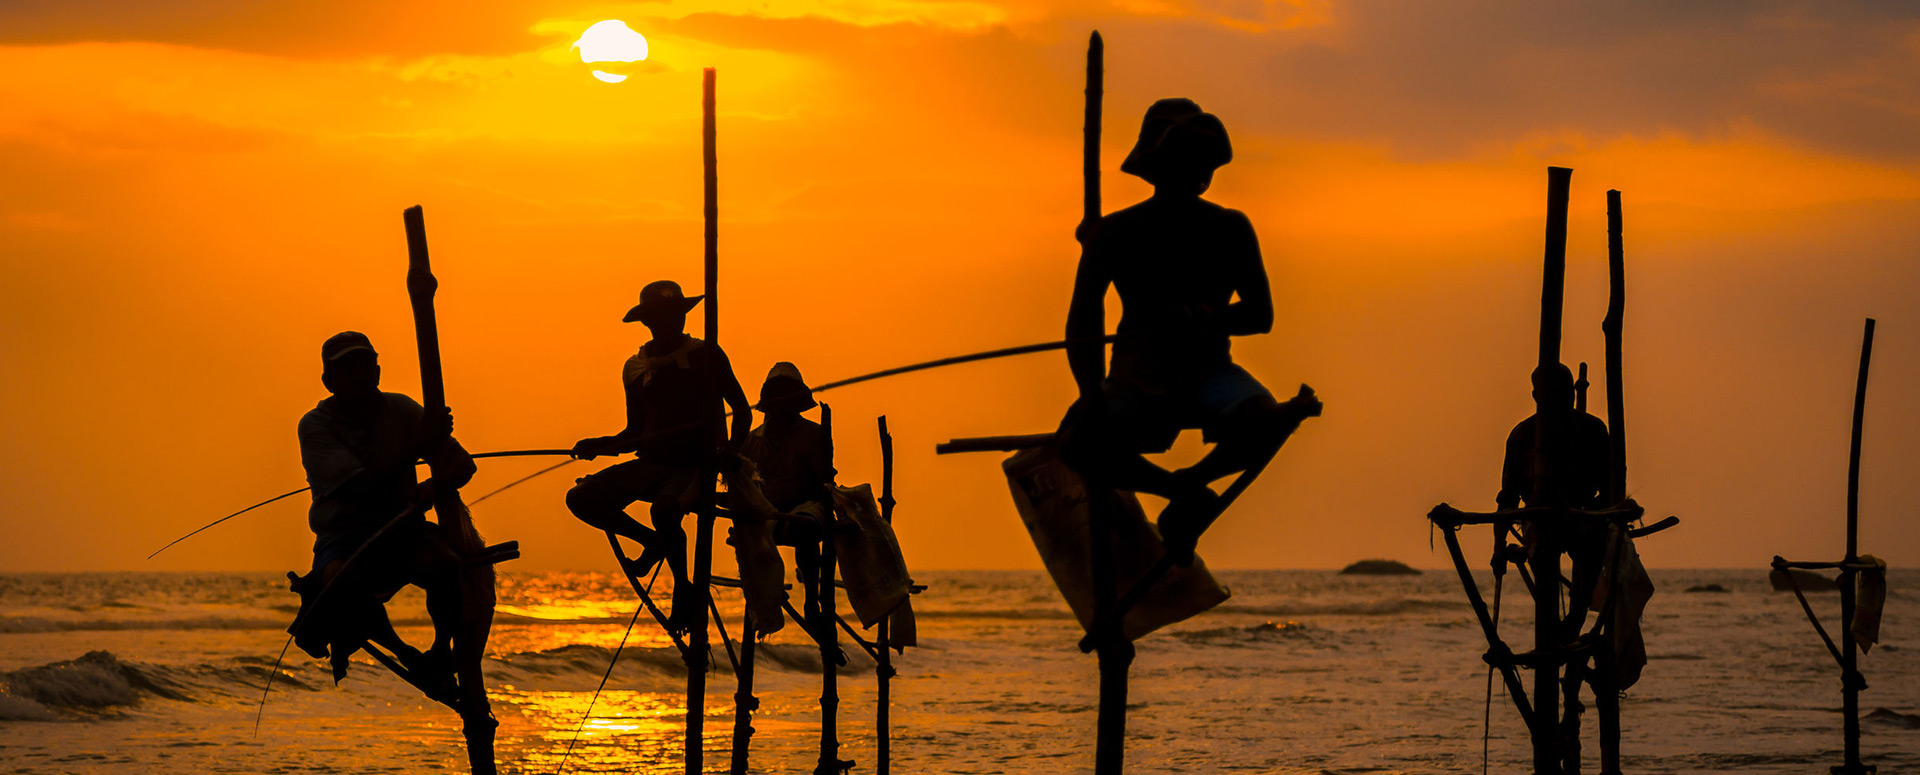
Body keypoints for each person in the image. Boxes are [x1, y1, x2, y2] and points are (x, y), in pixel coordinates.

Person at [1063, 98, 1321, 564]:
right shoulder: (1115, 232)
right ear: (1158, 165)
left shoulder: (1229, 227)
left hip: (1208, 373)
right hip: (1135, 376)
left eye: (1201, 160)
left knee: (1265, 421)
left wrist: (1212, 318)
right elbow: (1082, 322)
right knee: (1078, 440)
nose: (1195, 171)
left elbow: (1260, 315)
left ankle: (1191, 483)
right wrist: (1091, 392)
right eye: (1183, 158)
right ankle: (1178, 490)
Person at [566, 280, 752, 632]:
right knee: (580, 498)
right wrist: (597, 445)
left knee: (665, 509)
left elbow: (742, 411)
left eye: (676, 315)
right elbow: (633, 434)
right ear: (648, 322)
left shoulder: (706, 355)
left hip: (695, 465)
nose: (671, 323)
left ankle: (683, 588)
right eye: (662, 317)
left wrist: (730, 451)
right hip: (651, 465)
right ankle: (651, 541)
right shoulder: (637, 369)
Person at [292, 330, 474, 690]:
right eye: (347, 370)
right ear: (329, 381)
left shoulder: (402, 408)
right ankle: (404, 651)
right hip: (344, 536)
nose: (359, 377)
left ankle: (440, 651)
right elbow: (363, 485)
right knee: (341, 581)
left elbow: (463, 465)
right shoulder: (314, 426)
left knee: (447, 566)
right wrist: (420, 444)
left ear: (377, 372)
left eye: (365, 367)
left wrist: (433, 486)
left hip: (404, 530)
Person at [739, 362, 836, 607]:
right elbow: (743, 484)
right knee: (749, 530)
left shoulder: (813, 435)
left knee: (806, 526)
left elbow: (822, 485)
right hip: (767, 513)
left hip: (806, 507)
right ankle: (766, 592)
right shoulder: (753, 440)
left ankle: (812, 599)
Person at [1496, 363, 1610, 512]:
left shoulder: (1593, 429)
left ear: (1573, 391)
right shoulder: (1522, 436)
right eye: (1556, 392)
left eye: (1567, 391)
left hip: (1588, 520)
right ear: (1536, 396)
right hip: (1537, 522)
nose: (1564, 398)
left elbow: (1610, 489)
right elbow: (1508, 497)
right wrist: (1499, 535)